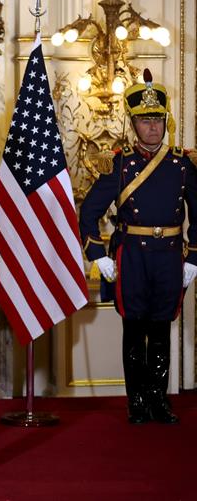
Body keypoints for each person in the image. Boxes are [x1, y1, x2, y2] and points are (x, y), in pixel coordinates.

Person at [80, 69, 196, 425]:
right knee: (134, 331)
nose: (152, 128)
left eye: (157, 121)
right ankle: (138, 402)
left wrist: (194, 256)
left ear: (166, 122)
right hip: (131, 257)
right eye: (145, 122)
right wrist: (99, 254)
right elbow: (89, 212)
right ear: (133, 124)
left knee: (161, 330)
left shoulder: (182, 163)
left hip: (169, 258)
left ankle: (159, 400)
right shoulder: (118, 165)